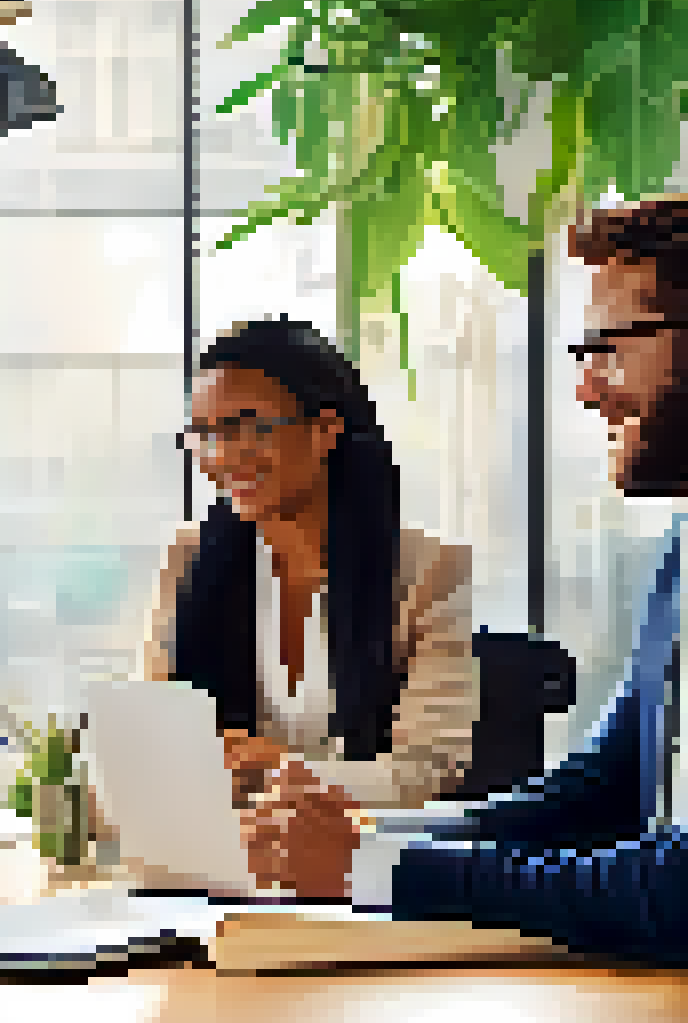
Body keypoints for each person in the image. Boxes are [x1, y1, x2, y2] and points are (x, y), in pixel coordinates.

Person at [259, 186, 688, 977]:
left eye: (608, 349)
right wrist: (368, 839)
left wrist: (374, 870)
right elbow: (593, 797)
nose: (587, 389)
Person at [141, 317, 479, 893]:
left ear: (325, 430)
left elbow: (425, 774)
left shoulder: (428, 571)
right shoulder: (189, 559)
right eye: (203, 432)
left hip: (362, 876)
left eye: (248, 427)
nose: (222, 455)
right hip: (220, 877)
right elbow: (152, 749)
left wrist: (273, 765)